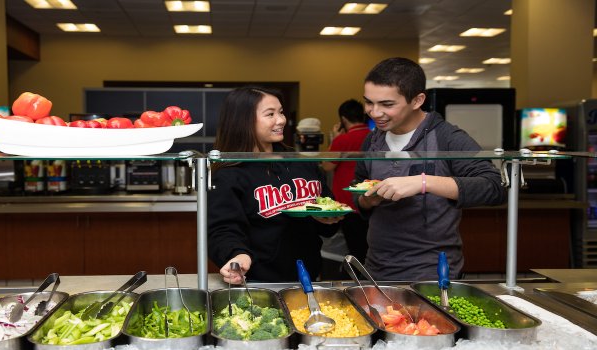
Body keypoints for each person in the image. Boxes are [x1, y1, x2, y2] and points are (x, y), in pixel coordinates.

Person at [354, 57, 507, 281]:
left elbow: (495, 187)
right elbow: (360, 195)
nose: (374, 112)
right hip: (376, 268)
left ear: (417, 100)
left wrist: (423, 182)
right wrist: (368, 200)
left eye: (387, 105)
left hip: (432, 272)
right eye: (369, 102)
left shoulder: (447, 137)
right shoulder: (371, 141)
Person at [208, 86, 341, 284]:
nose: (281, 120)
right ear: (243, 120)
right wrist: (237, 255)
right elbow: (222, 229)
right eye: (270, 114)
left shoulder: (301, 163)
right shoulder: (228, 173)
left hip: (309, 277)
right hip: (259, 283)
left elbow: (327, 217)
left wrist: (329, 218)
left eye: (280, 112)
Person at [321, 99, 371, 263]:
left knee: (355, 251)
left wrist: (335, 140)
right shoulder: (373, 136)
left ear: (343, 119)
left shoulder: (343, 139)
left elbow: (327, 166)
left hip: (348, 201)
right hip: (370, 198)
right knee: (367, 247)